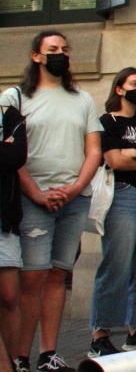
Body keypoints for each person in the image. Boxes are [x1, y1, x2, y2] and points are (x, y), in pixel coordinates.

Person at [0, 31, 103, 372]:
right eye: (52, 49)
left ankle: (48, 354)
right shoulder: (14, 98)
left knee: (59, 274)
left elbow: (93, 150)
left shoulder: (83, 99)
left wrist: (74, 188)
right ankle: (21, 357)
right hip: (33, 200)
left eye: (64, 49)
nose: (60, 54)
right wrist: (36, 193)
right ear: (36, 56)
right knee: (32, 278)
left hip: (74, 200)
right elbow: (11, 155)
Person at [88, 67, 136, 357]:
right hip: (121, 196)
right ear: (119, 89)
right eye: (133, 83)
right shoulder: (107, 122)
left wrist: (132, 153)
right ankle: (100, 334)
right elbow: (114, 162)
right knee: (117, 265)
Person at [0, 99, 27, 370]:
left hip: (5, 220)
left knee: (9, 297)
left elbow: (17, 155)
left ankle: (14, 360)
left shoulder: (10, 115)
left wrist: (10, 150)